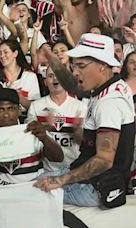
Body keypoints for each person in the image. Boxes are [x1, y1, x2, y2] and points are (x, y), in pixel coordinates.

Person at [34, 33, 135, 207]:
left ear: (103, 65)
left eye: (81, 66)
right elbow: (72, 85)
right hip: (92, 180)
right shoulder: (110, 84)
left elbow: (104, 160)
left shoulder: (109, 103)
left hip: (95, 188)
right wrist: (51, 57)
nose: (75, 72)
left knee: (31, 192)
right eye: (74, 65)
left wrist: (61, 180)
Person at [26, 66, 87, 173]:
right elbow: (30, 138)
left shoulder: (81, 107)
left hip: (75, 171)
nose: (55, 79)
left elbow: (86, 142)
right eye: (50, 76)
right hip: (46, 171)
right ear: (45, 82)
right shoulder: (36, 106)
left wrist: (77, 131)